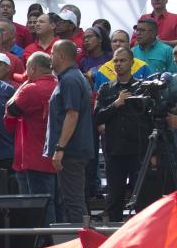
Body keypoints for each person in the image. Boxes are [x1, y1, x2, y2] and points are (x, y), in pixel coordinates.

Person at [94, 47, 155, 221]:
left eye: (123, 60)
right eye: (116, 61)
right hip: (115, 153)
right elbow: (97, 117)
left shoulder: (142, 88)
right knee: (114, 200)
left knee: (142, 200)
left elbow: (151, 121)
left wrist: (153, 153)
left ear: (132, 63)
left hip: (139, 152)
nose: (119, 64)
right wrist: (116, 104)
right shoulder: (106, 88)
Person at [5, 52, 59, 227]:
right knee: (52, 203)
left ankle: (40, 243)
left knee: (36, 205)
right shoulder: (59, 84)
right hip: (53, 154)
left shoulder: (32, 88)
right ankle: (50, 241)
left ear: (33, 68)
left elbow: (10, 112)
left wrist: (23, 85)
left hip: (32, 157)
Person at [46, 40, 95, 224]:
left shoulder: (70, 79)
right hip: (72, 150)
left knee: (73, 202)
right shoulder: (71, 77)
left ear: (60, 56)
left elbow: (72, 114)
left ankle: (81, 247)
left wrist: (60, 148)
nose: (50, 57)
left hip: (71, 151)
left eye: (52, 53)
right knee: (71, 200)